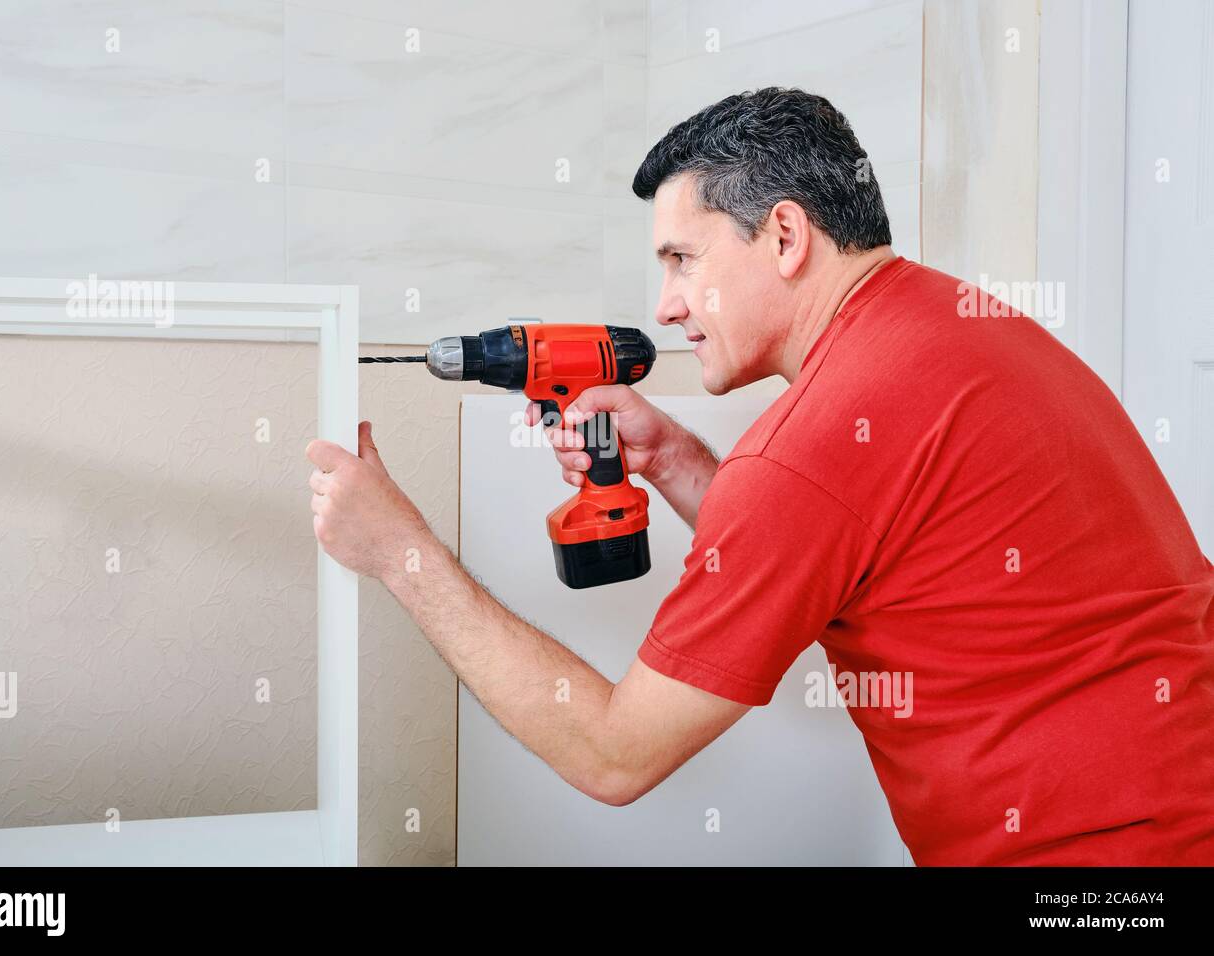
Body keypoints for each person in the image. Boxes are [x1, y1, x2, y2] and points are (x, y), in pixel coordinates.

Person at [306, 87, 1214, 865]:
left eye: (681, 260)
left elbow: (614, 756)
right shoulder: (968, 325)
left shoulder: (811, 446)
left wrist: (400, 553)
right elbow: (866, 553)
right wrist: (681, 464)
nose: (663, 304)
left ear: (784, 235)